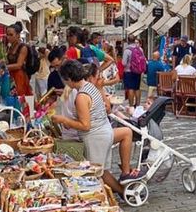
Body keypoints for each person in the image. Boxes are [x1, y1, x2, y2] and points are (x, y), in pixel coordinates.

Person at [51, 61, 140, 193]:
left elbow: (85, 125)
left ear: (69, 79)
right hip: (103, 131)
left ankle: (124, 192)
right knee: (100, 170)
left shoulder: (81, 96)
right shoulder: (89, 87)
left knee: (98, 172)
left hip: (96, 136)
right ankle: (122, 190)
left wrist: (65, 120)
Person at [5, 22, 31, 97]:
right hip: (11, 77)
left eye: (11, 35)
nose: (8, 37)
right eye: (7, 34)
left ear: (18, 35)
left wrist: (5, 67)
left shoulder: (23, 48)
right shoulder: (10, 46)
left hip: (20, 77)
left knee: (19, 98)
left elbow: (19, 65)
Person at [123, 36, 147, 108]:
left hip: (129, 71)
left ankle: (131, 105)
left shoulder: (127, 50)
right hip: (138, 71)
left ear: (128, 41)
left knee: (130, 88)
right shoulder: (140, 49)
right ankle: (138, 104)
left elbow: (124, 63)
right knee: (137, 88)